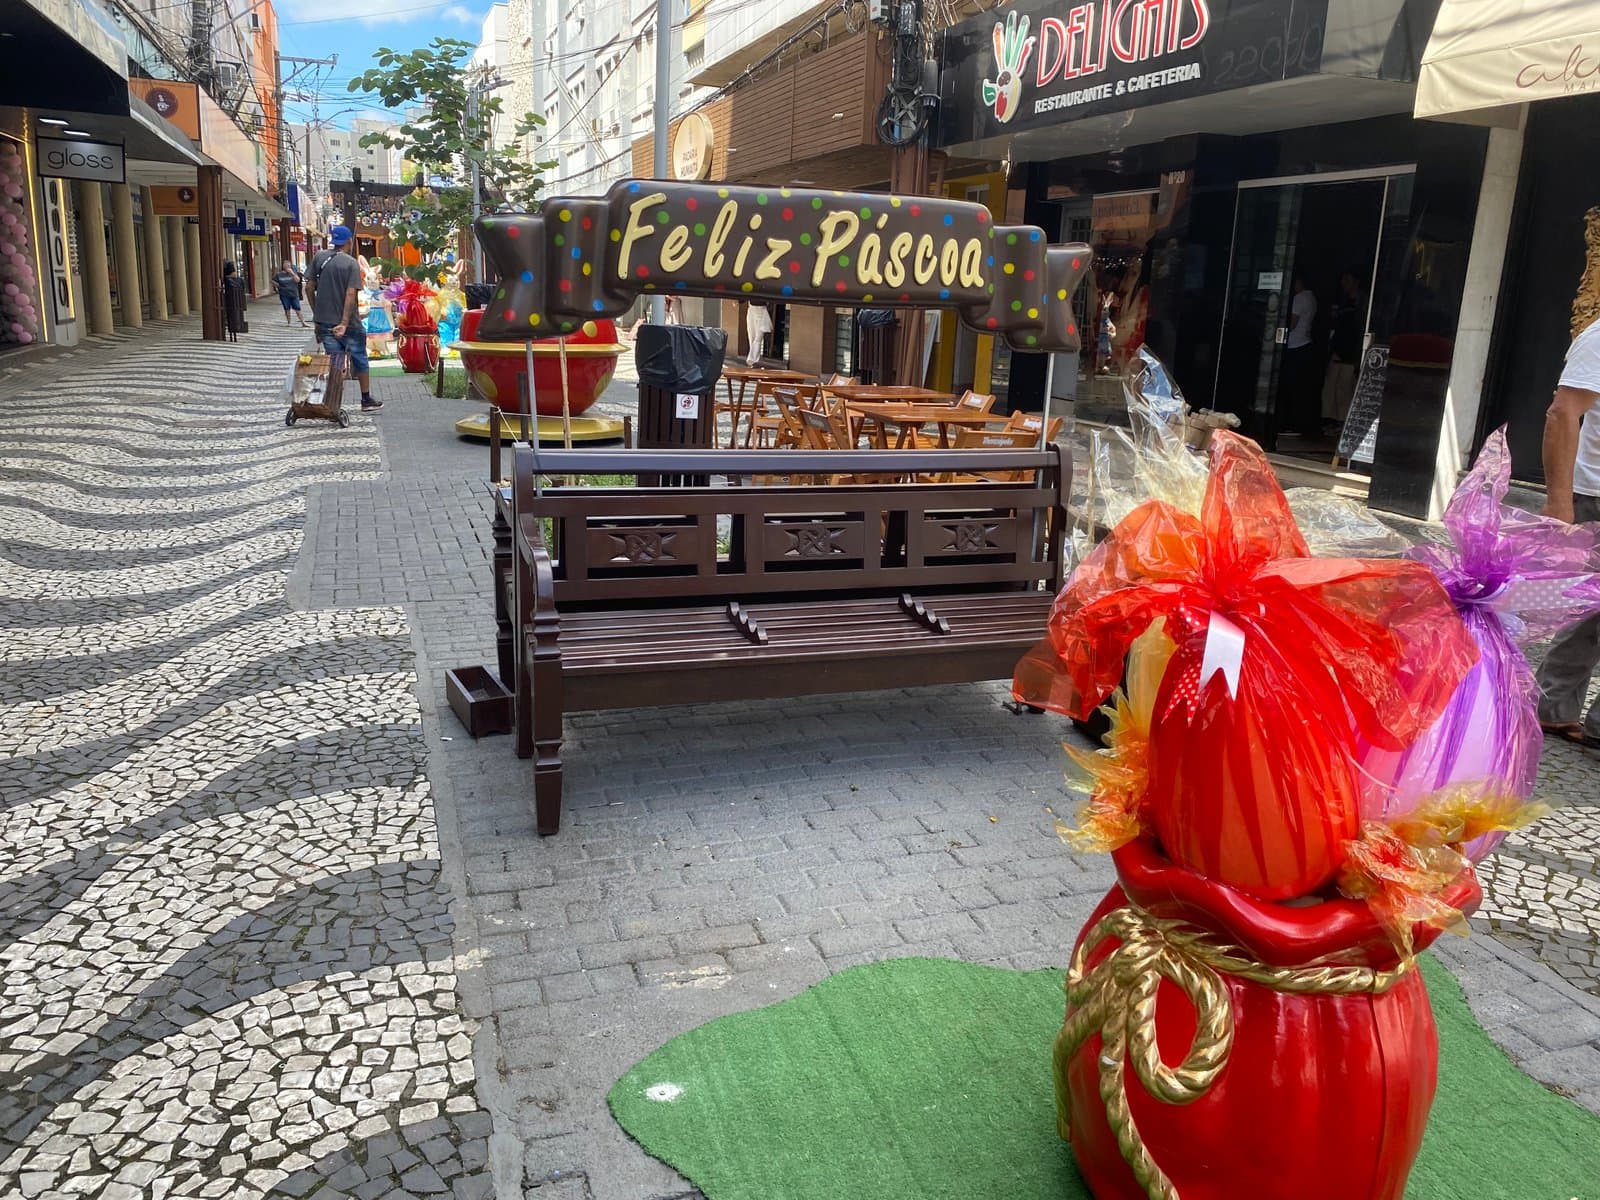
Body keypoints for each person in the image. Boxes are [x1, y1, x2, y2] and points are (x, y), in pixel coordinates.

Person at [1535, 317, 1600, 748]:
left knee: (1591, 610)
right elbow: (1562, 412)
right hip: (1596, 493)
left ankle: (1553, 705)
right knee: (1588, 607)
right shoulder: (1599, 338)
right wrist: (1559, 501)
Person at [306, 226, 382, 412]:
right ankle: (365, 399)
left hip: (325, 323)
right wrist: (344, 322)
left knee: (336, 361)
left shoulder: (319, 257)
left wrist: (318, 315)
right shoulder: (351, 264)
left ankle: (333, 401)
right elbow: (350, 294)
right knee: (359, 358)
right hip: (350, 324)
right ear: (349, 242)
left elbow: (308, 288)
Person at [1323, 270, 1366, 425]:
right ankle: (1330, 421)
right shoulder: (1343, 301)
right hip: (1337, 349)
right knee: (1331, 388)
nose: (1344, 283)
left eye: (1347, 279)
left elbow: (1360, 329)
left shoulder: (1362, 303)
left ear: (1355, 281)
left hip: (1350, 352)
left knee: (1344, 390)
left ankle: (1342, 423)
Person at [1278, 274, 1319, 438]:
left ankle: (1291, 424)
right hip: (1305, 344)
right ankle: (1298, 424)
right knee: (1301, 387)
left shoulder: (1299, 298)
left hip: (1296, 345)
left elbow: (1292, 324)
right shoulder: (1311, 298)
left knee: (1291, 386)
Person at [273, 260, 307, 327]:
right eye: (286, 266)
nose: (288, 267)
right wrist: (278, 286)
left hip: (294, 294)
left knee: (297, 308)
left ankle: (303, 322)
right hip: (284, 294)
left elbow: (298, 280)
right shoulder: (279, 274)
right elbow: (272, 280)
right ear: (283, 266)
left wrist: (292, 273)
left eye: (289, 266)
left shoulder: (293, 273)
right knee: (287, 308)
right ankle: (289, 322)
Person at [221, 262, 247, 340]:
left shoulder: (227, 279)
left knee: (229, 315)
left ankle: (231, 330)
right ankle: (235, 329)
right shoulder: (238, 280)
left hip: (229, 301)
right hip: (236, 302)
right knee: (235, 316)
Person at [745, 301, 772, 366]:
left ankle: (753, 359)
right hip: (751, 310)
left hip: (761, 311)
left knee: (758, 338)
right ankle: (752, 360)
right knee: (751, 337)